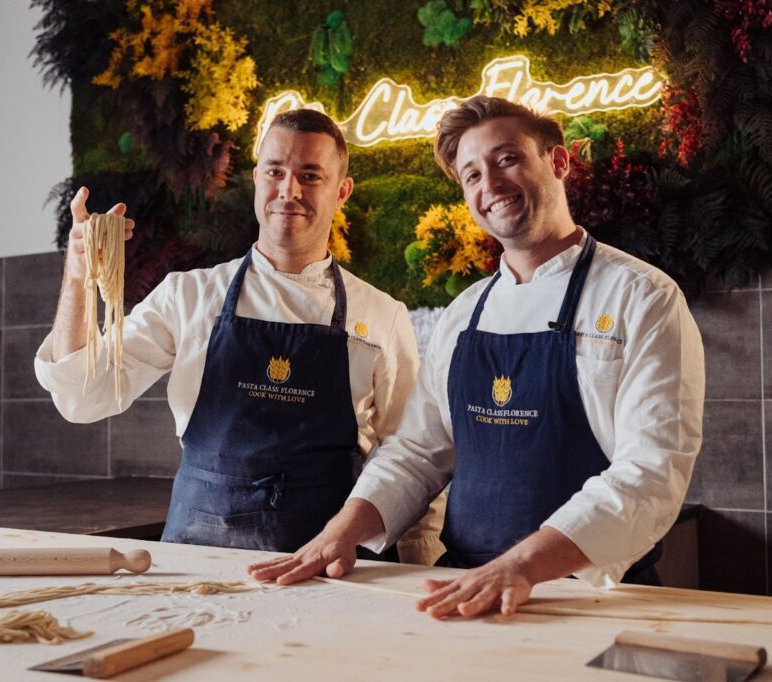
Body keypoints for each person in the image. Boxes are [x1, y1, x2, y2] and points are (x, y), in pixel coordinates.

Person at [248, 96, 705, 618]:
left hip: (589, 598)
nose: (490, 183)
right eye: (471, 175)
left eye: (507, 159)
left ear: (558, 161)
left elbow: (652, 470)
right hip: (465, 588)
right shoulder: (465, 312)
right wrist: (342, 531)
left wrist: (524, 565)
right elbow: (417, 452)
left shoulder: (641, 297)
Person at [35, 109, 431, 558]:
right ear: (257, 179)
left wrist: (419, 568)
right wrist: (77, 276)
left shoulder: (382, 315)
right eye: (275, 172)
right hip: (199, 558)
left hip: (331, 563)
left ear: (342, 191)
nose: (289, 190)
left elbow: (410, 457)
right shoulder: (188, 296)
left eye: (310, 175)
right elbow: (83, 396)